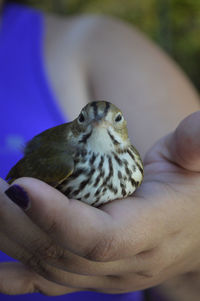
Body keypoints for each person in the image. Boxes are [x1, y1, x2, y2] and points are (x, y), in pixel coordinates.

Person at [0, 1, 200, 300]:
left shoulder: (93, 42)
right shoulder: (60, 162)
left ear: (124, 127)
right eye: (86, 120)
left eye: (114, 120)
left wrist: (190, 250)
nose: (99, 125)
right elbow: (14, 180)